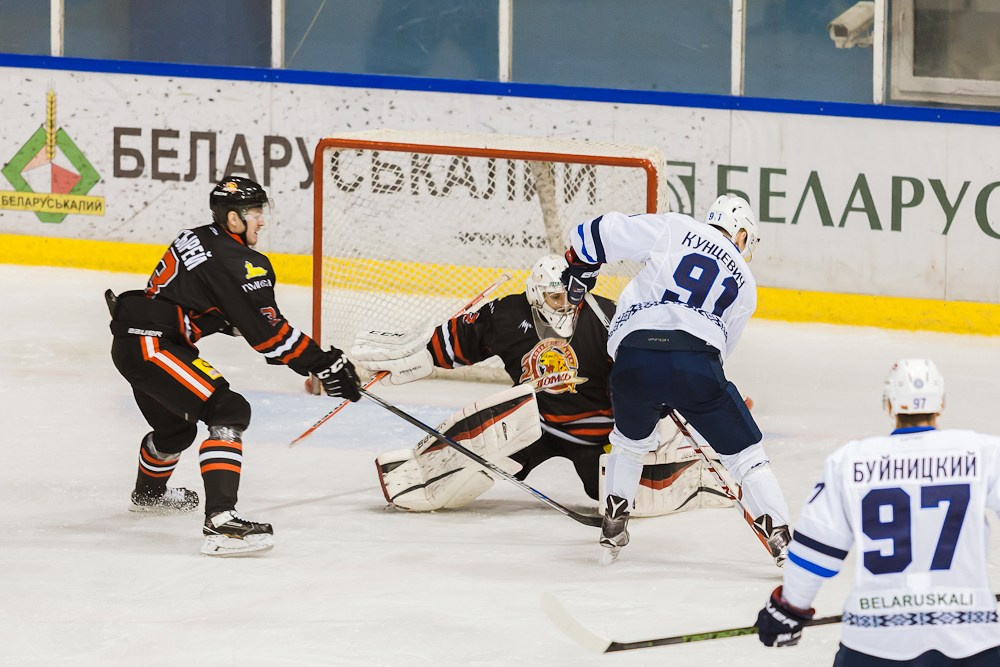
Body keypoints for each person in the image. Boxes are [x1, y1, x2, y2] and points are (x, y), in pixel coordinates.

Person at [351, 254, 729, 514]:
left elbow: (646, 369)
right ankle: (420, 474)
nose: (566, 303)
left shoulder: (606, 316)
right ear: (535, 293)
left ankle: (699, 474)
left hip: (597, 434)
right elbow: (461, 338)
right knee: (491, 463)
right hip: (534, 425)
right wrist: (426, 356)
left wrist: (671, 395)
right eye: (555, 296)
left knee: (607, 493)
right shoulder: (506, 314)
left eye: (572, 294)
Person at [108, 177, 361, 557]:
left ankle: (148, 496)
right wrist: (324, 364)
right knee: (228, 410)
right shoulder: (239, 263)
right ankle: (222, 522)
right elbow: (267, 334)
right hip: (153, 345)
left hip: (135, 342)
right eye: (255, 212)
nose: (262, 220)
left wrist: (300, 357)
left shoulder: (196, 236)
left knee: (175, 430)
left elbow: (219, 309)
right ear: (233, 218)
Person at [562, 195, 791, 565]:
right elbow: (721, 351)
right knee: (747, 456)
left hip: (633, 358)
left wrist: (581, 266)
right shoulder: (746, 282)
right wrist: (681, 385)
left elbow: (598, 232)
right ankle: (780, 535)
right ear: (741, 233)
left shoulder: (676, 227)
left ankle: (614, 521)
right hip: (696, 364)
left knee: (628, 444)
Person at [757, 359, 1000, 665]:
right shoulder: (983, 453)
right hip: (971, 639)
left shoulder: (850, 462)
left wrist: (789, 609)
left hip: (875, 642)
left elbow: (815, 551)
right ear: (941, 404)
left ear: (889, 405)